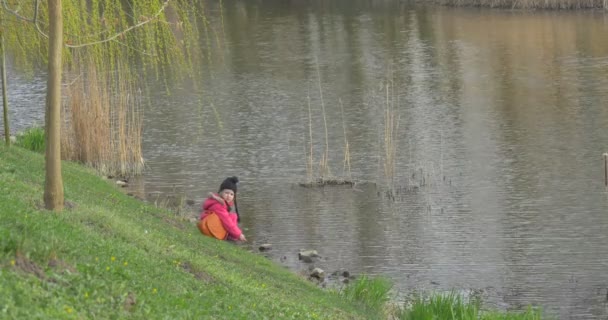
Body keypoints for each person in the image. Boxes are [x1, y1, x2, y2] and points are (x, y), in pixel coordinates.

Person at [198, 176, 247, 242]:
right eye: (226, 193)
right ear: (220, 192)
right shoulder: (219, 205)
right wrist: (239, 234)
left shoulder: (218, 202)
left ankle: (230, 235)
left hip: (209, 224)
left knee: (232, 215)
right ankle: (230, 236)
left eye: (231, 194)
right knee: (232, 217)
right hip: (210, 228)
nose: (229, 196)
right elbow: (227, 222)